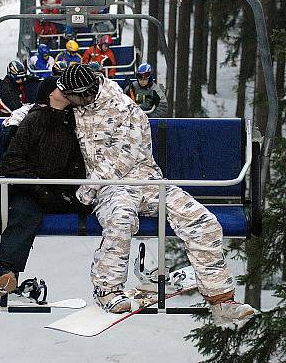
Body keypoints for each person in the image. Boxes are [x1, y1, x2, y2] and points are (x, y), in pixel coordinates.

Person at [55, 64, 255, 326]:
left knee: (201, 220)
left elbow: (122, 157)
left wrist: (83, 193)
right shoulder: (74, 107)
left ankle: (222, 298)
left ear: (84, 92)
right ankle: (108, 288)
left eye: (70, 96)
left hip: (143, 180)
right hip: (111, 189)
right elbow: (34, 112)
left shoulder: (124, 109)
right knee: (120, 218)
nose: (65, 99)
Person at [0, 76, 89, 304]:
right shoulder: (35, 119)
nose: (65, 91)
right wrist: (38, 187)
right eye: (60, 88)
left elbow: (74, 165)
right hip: (8, 182)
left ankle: (6, 277)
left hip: (33, 192)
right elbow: (13, 159)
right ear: (49, 94)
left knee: (26, 216)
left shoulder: (71, 124)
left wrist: (63, 193)